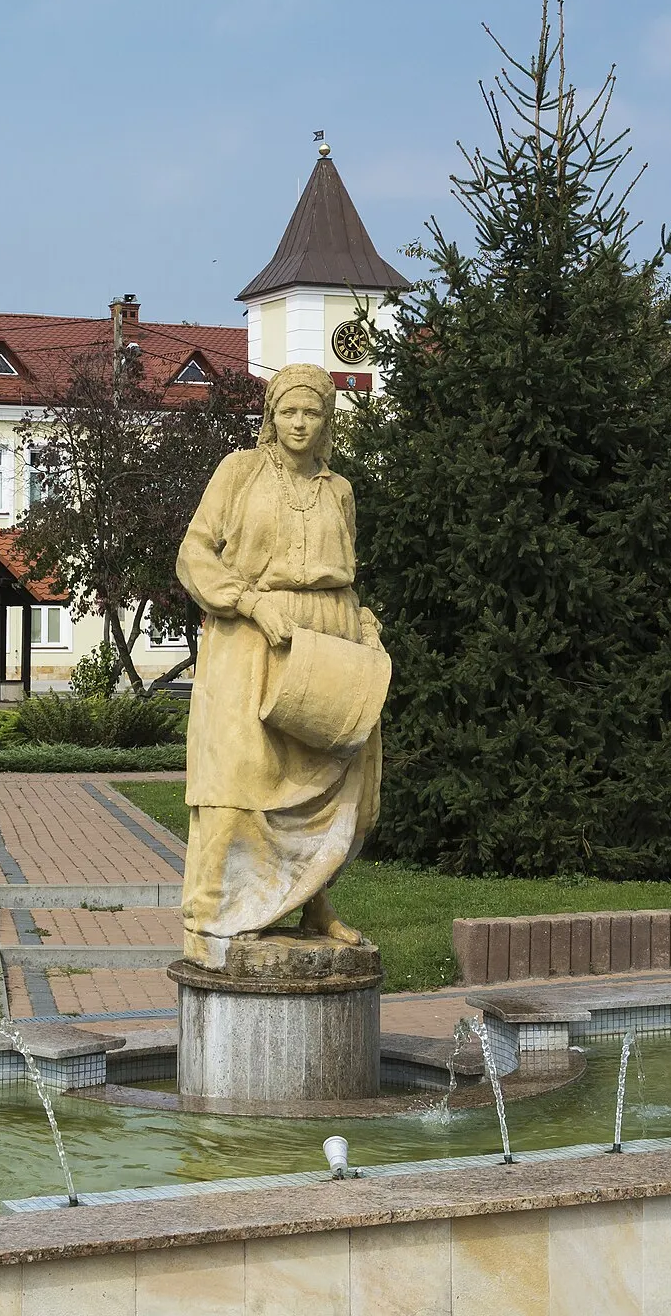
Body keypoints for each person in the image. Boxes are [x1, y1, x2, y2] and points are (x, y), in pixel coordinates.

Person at [175, 363, 386, 969]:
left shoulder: (339, 489)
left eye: (311, 412)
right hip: (248, 640)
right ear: (272, 416)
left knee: (334, 776)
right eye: (288, 411)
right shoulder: (240, 472)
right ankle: (212, 922)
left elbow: (343, 571)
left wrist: (362, 624)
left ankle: (314, 902)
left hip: (328, 641)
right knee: (238, 779)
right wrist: (249, 601)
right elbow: (194, 553)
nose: (299, 423)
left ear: (326, 421)